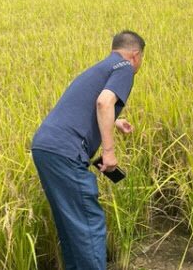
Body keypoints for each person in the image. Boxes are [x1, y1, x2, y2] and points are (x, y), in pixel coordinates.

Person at [31, 31, 145, 269]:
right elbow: (104, 102)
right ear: (135, 55)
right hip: (66, 151)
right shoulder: (124, 66)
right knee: (88, 223)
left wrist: (114, 121)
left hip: (46, 147)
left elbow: (80, 106)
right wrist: (109, 151)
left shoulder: (99, 67)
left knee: (72, 227)